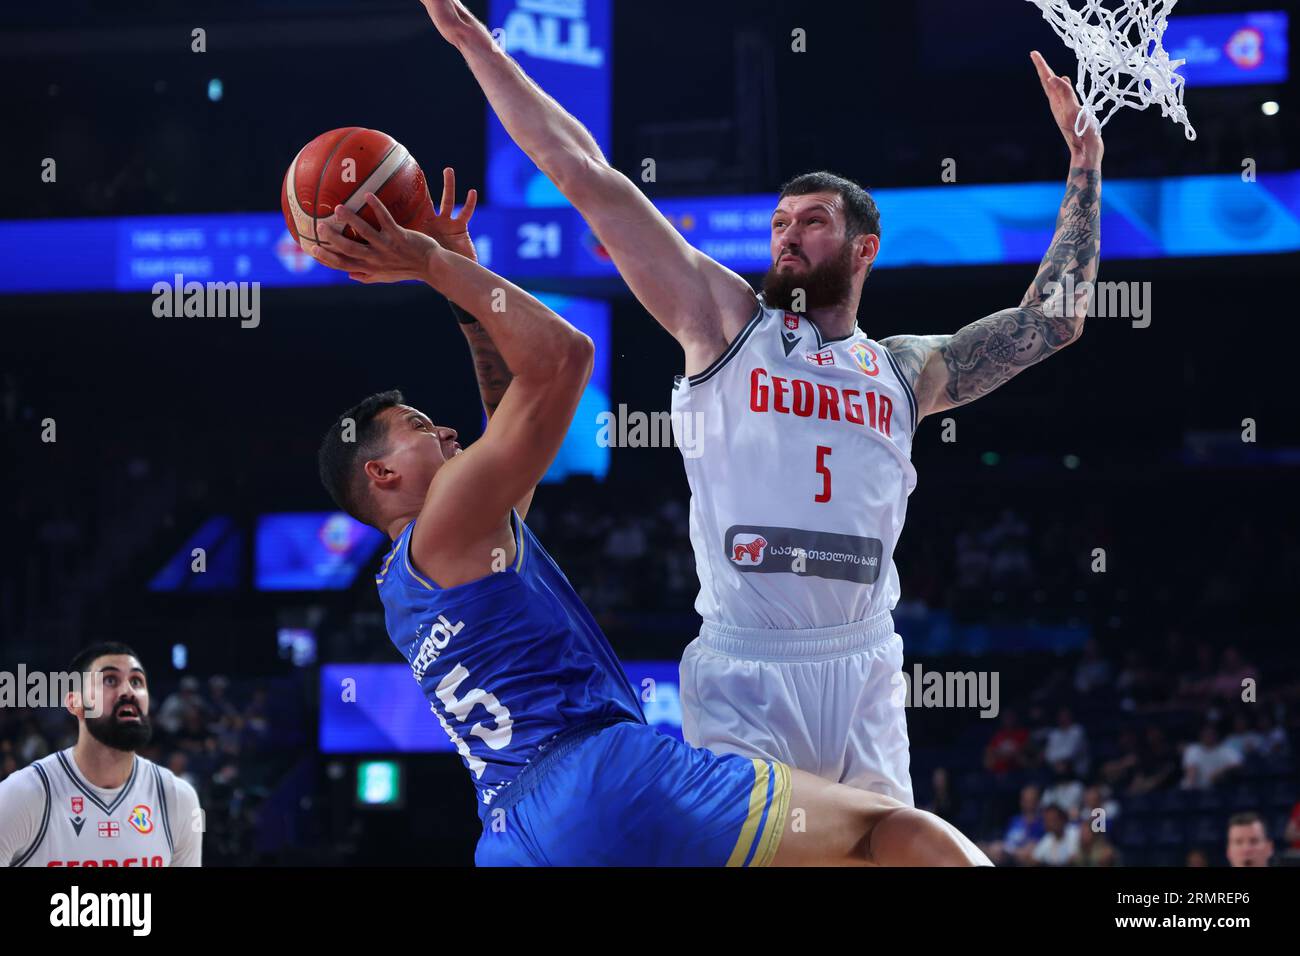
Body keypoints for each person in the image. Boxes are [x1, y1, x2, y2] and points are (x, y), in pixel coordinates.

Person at [417, 0, 1102, 804]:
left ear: (862, 250)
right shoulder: (723, 321)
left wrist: (1084, 164)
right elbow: (586, 175)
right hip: (747, 667)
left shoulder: (904, 371)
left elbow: (1050, 321)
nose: (787, 234)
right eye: (780, 221)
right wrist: (476, 46)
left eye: (812, 223)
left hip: (867, 663)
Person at [308, 178, 988, 867]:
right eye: (420, 428)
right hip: (602, 780)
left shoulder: (409, 580)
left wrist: (464, 284)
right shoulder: (451, 519)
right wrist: (432, 263)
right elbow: (561, 358)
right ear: (381, 475)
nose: (447, 430)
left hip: (513, 833)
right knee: (888, 833)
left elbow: (513, 414)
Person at [0, 643, 202, 867]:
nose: (128, 692)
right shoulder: (22, 795)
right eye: (110, 680)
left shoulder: (177, 797)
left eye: (136, 681)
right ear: (75, 702)